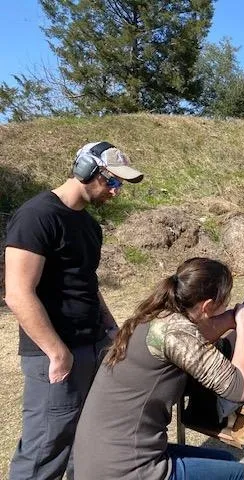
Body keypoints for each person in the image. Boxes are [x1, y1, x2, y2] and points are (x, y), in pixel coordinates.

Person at [4, 141, 144, 480]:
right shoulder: (38, 216)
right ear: (85, 170)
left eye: (120, 184)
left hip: (92, 346)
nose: (116, 191)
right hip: (57, 354)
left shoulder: (89, 226)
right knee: (44, 451)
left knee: (82, 442)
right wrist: (57, 353)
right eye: (112, 181)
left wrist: (111, 330)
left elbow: (87, 285)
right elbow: (18, 293)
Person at [72, 257, 244, 480]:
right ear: (206, 307)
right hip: (127, 469)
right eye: (223, 305)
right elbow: (238, 387)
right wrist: (243, 329)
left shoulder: (158, 317)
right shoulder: (177, 333)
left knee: (225, 460)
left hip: (101, 458)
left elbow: (207, 347)